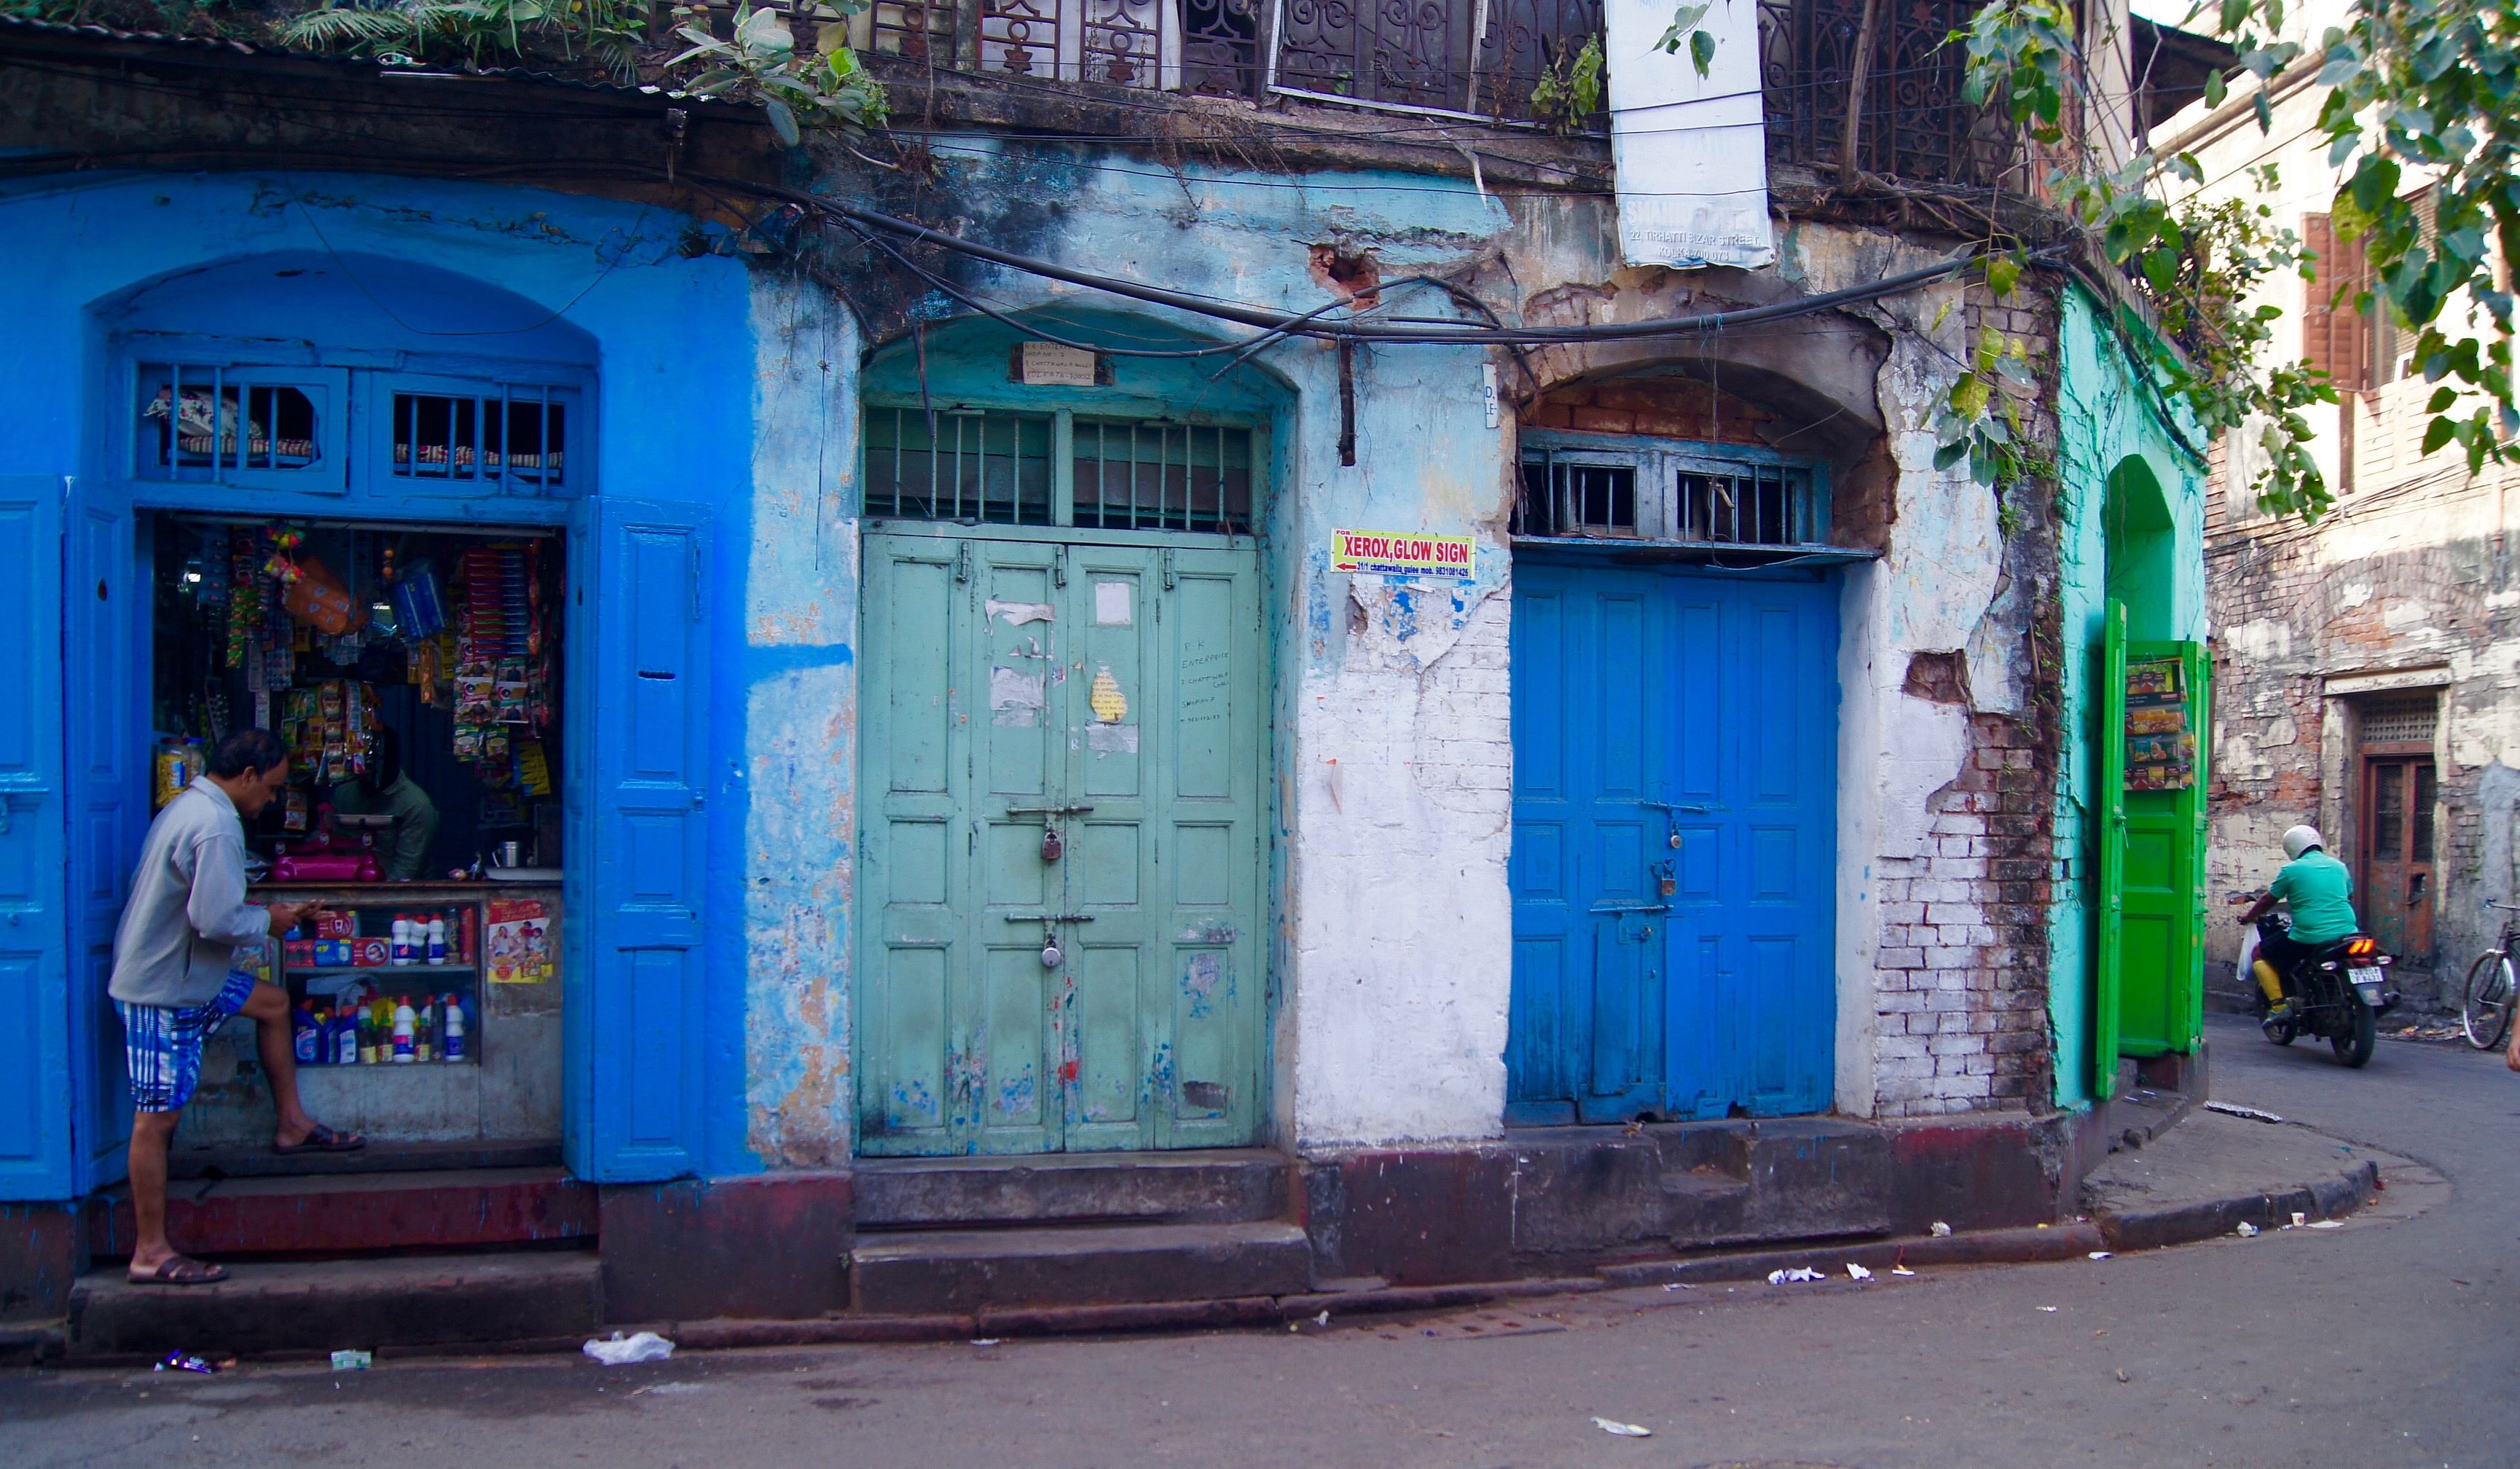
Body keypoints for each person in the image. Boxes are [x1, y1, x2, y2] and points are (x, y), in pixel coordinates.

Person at [109, 727, 364, 1286]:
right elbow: (216, 920)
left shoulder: (190, 805)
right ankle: (150, 1250)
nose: (270, 801)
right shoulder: (218, 823)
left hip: (188, 976)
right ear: (246, 777)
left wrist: (274, 914)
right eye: (270, 789)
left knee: (272, 1004)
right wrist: (267, 921)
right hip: (163, 989)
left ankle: (292, 1123)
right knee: (158, 1118)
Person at [2238, 823, 2362, 1025]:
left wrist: (2249, 917)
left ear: (2291, 848)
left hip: (2309, 935)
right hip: (2347, 933)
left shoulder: (2292, 870)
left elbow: (2267, 900)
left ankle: (2279, 1007)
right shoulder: (2339, 867)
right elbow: (2348, 895)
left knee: (2260, 953)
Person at [330, 724, 438, 882]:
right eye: (365, 765)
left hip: (396, 895)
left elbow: (406, 870)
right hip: (349, 887)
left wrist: (370, 901)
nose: (369, 774)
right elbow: (335, 849)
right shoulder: (344, 794)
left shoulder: (416, 805)